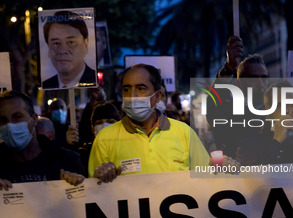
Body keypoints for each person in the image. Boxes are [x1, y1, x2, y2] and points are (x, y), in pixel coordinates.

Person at [88, 64, 238, 182]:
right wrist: (100, 177)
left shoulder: (183, 132)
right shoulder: (104, 139)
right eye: (126, 89)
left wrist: (220, 165)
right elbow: (95, 193)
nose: (132, 96)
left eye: (141, 88)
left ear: (158, 95)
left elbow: (204, 176)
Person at [0, 90, 85, 190]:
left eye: (17, 117)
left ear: (34, 119)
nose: (9, 125)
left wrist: (78, 186)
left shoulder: (67, 160)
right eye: (2, 120)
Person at [206, 52, 269, 158]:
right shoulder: (229, 114)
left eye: (264, 78)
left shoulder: (277, 114)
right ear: (238, 84)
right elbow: (214, 104)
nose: (260, 84)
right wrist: (229, 68)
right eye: (253, 79)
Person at [42, 10, 96, 89]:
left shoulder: (93, 81)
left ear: (85, 44)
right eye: (56, 43)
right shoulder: (47, 85)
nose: (63, 50)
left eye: (71, 42)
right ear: (48, 47)